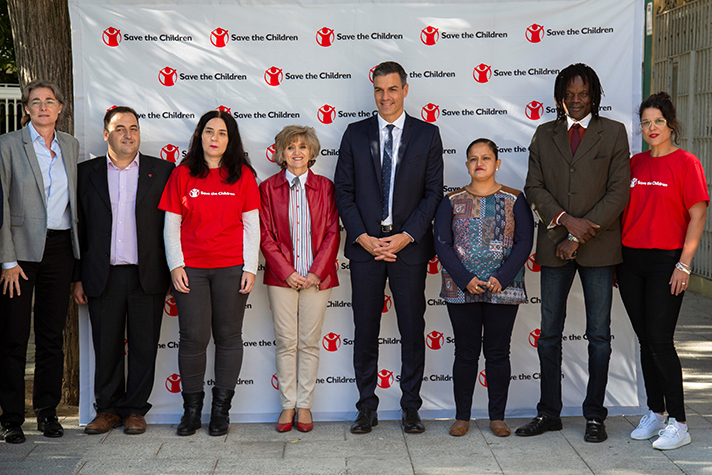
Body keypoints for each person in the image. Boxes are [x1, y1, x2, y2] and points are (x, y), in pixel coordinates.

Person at [517, 63, 630, 443]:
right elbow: (534, 187)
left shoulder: (614, 133)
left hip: (598, 248)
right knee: (549, 334)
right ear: (559, 98)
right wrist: (566, 221)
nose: (576, 101)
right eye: (570, 95)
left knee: (599, 335)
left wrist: (579, 235)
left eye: (583, 95)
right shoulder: (543, 134)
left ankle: (595, 415)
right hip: (553, 246)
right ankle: (549, 413)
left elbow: (618, 192)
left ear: (594, 96)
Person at [334, 61, 444, 434]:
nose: (385, 97)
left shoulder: (428, 136)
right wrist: (363, 237)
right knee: (365, 329)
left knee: (412, 330)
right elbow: (343, 193)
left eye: (392, 89)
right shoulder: (354, 134)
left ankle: (410, 407)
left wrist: (406, 235)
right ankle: (366, 407)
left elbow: (433, 196)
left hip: (408, 249)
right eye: (379, 90)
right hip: (365, 248)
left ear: (405, 90)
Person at [72, 106, 174, 435]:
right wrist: (77, 275)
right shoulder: (85, 173)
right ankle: (108, 409)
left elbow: (173, 226)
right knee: (107, 345)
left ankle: (134, 410)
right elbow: (78, 228)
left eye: (133, 128)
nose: (128, 134)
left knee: (145, 345)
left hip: (148, 274)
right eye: (119, 128)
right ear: (106, 134)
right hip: (103, 274)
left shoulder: (162, 171)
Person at [158, 110, 260, 437]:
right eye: (209, 131)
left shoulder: (242, 175)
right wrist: (176, 265)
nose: (215, 138)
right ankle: (191, 412)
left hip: (231, 268)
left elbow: (252, 226)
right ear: (200, 135)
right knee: (193, 338)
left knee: (229, 337)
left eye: (222, 133)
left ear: (230, 140)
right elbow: (171, 226)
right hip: (192, 270)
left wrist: (249, 267)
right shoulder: (182, 174)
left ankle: (220, 412)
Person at [618, 92, 708, 450]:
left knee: (660, 340)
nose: (652, 128)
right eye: (645, 122)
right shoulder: (634, 164)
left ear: (671, 123)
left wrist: (684, 264)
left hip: (666, 262)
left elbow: (698, 215)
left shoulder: (686, 163)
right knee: (645, 341)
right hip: (630, 260)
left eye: (658, 121)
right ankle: (655, 413)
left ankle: (679, 422)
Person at [434, 138, 533, 437]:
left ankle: (497, 418)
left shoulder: (515, 199)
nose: (479, 163)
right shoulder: (450, 201)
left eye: (486, 158)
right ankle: (462, 417)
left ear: (497, 163)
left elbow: (524, 243)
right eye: (474, 159)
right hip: (461, 288)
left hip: (503, 288)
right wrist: (465, 279)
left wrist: (500, 278)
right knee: (465, 354)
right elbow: (442, 244)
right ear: (466, 165)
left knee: (498, 353)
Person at [0, 80, 80, 444]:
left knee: (51, 336)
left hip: (60, 250)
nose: (43, 107)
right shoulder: (7, 145)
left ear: (60, 108)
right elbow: (0, 205)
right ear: (26, 110)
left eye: (50, 101)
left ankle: (48, 413)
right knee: (14, 337)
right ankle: (13, 418)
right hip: (19, 256)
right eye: (36, 102)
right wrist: (6, 260)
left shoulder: (70, 146)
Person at [259, 125, 340, 433]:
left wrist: (316, 271)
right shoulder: (267, 188)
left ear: (311, 153)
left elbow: (333, 232)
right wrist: (288, 272)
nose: (296, 152)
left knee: (308, 343)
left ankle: (304, 406)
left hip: (317, 279)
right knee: (286, 342)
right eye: (290, 147)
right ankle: (287, 406)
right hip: (283, 279)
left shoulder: (326, 187)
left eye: (302, 147)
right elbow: (265, 236)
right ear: (281, 153)